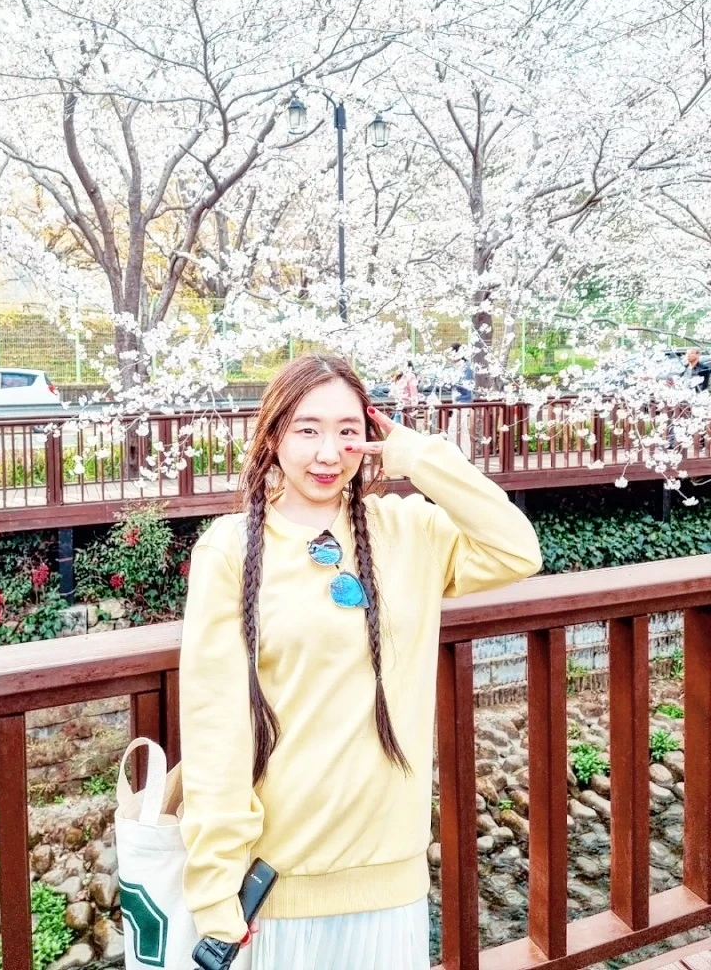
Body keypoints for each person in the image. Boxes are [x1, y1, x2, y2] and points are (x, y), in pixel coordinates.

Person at [179, 354, 542, 970]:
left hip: (390, 878)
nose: (329, 453)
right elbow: (217, 723)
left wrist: (420, 457)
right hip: (276, 882)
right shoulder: (231, 549)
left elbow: (517, 550)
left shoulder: (409, 530)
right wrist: (215, 885)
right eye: (307, 429)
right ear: (273, 436)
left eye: (348, 430)